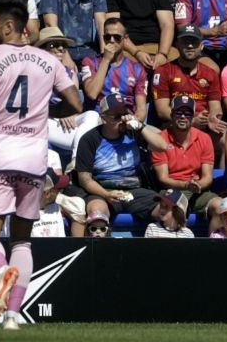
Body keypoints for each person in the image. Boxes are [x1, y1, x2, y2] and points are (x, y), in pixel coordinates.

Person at [0, 0, 81, 329]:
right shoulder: (49, 61)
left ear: (7, 26)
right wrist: (45, 111)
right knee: (22, 239)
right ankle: (13, 315)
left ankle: (2, 271)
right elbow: (74, 103)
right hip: (34, 158)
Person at [74, 93, 168, 224]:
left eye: (124, 113)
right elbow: (85, 179)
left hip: (134, 189)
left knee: (169, 211)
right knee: (97, 212)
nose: (122, 119)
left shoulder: (133, 131)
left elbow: (162, 146)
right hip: (103, 189)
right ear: (104, 118)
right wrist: (106, 194)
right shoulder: (90, 139)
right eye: (117, 116)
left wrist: (140, 126)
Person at [152, 94, 221, 234]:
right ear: (172, 115)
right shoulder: (160, 139)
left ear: (193, 116)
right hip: (172, 190)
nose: (183, 117)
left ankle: (216, 248)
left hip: (197, 191)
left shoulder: (204, 138)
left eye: (188, 113)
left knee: (220, 206)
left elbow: (208, 176)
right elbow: (163, 179)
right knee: (174, 209)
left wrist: (198, 185)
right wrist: (185, 185)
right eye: (179, 112)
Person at [37, 27, 102, 164]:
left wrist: (70, 113)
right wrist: (60, 113)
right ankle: (80, 159)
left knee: (92, 115)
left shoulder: (70, 73)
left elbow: (75, 105)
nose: (60, 49)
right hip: (43, 122)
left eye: (63, 46)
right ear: (42, 49)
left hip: (66, 121)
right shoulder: (33, 72)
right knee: (91, 140)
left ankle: (75, 159)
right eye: (54, 45)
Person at [153, 26, 225, 138]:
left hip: (204, 125)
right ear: (177, 44)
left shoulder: (211, 73)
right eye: (185, 41)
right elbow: (162, 111)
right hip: (175, 124)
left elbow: (215, 106)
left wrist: (213, 118)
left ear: (201, 46)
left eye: (194, 42)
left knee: (225, 138)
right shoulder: (163, 71)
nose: (190, 46)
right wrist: (192, 120)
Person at [80, 17, 148, 121]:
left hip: (125, 120)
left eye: (116, 37)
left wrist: (134, 121)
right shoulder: (89, 62)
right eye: (108, 37)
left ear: (125, 39)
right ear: (103, 38)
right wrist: (106, 60)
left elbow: (141, 109)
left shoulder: (137, 69)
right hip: (97, 120)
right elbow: (92, 94)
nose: (112, 41)